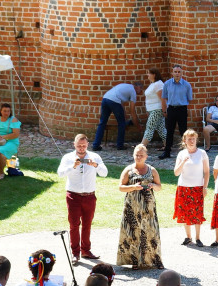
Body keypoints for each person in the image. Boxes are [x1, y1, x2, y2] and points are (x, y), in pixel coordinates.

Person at [57, 134, 108, 263]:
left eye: (84, 146)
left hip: (89, 196)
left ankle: (86, 250)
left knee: (87, 224)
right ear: (74, 144)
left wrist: (96, 165)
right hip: (73, 195)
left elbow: (105, 173)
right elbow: (60, 173)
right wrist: (72, 166)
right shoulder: (68, 158)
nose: (81, 148)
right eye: (79, 146)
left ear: (87, 144)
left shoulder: (94, 157)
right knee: (74, 225)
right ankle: (75, 253)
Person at [117, 144, 164, 269]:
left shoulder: (152, 170)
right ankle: (135, 260)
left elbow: (159, 187)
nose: (138, 157)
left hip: (148, 207)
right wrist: (133, 187)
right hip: (132, 207)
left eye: (141, 155)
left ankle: (155, 260)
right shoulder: (128, 170)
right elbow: (121, 187)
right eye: (136, 155)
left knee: (151, 232)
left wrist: (153, 186)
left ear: (146, 157)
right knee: (133, 232)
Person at [172, 130, 210, 246]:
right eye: (189, 139)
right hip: (183, 187)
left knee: (197, 213)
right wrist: (183, 162)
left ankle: (198, 238)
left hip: (197, 187)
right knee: (185, 213)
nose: (191, 141)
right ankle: (188, 237)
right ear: (185, 141)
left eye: (193, 139)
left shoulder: (202, 153)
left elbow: (207, 172)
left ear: (196, 140)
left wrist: (205, 187)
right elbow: (176, 173)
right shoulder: (181, 154)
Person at [161, 64, 194, 160]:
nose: (177, 74)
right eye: (175, 72)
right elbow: (164, 97)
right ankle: (167, 151)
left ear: (182, 73)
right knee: (169, 131)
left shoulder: (187, 85)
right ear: (172, 73)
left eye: (179, 72)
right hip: (171, 109)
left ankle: (188, 151)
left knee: (183, 131)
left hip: (182, 109)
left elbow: (190, 99)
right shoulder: (167, 84)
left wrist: (189, 111)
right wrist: (164, 110)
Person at [96, 82, 138, 151]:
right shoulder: (133, 90)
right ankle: (120, 145)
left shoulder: (124, 86)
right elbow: (132, 110)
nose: (140, 92)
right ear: (137, 87)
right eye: (141, 89)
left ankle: (96, 145)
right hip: (114, 101)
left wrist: (124, 114)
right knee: (121, 123)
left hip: (105, 98)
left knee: (102, 122)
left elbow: (120, 103)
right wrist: (137, 125)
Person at [0, 104, 21, 179]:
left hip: (10, 141)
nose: (6, 113)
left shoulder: (13, 119)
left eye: (8, 111)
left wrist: (3, 137)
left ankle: (1, 172)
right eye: (5, 111)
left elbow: (16, 134)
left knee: (0, 152)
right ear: (1, 111)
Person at [142, 69, 167, 148]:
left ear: (154, 75)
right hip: (152, 110)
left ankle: (141, 147)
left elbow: (163, 98)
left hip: (157, 110)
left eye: (149, 73)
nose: (148, 75)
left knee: (149, 127)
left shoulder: (158, 84)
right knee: (161, 129)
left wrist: (164, 110)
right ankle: (167, 146)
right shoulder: (153, 84)